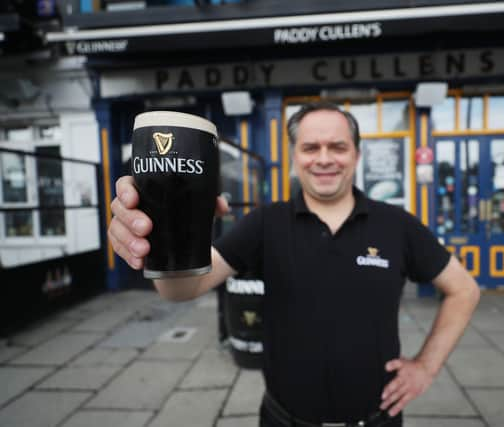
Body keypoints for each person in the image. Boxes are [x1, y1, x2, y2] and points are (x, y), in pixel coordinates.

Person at [108, 102, 480, 427]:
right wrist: (156, 235)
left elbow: (464, 290)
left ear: (356, 154)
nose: (323, 158)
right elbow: (182, 290)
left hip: (378, 421)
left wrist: (426, 366)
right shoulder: (264, 223)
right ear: (293, 156)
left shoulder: (396, 224)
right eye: (310, 147)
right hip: (283, 420)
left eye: (337, 146)